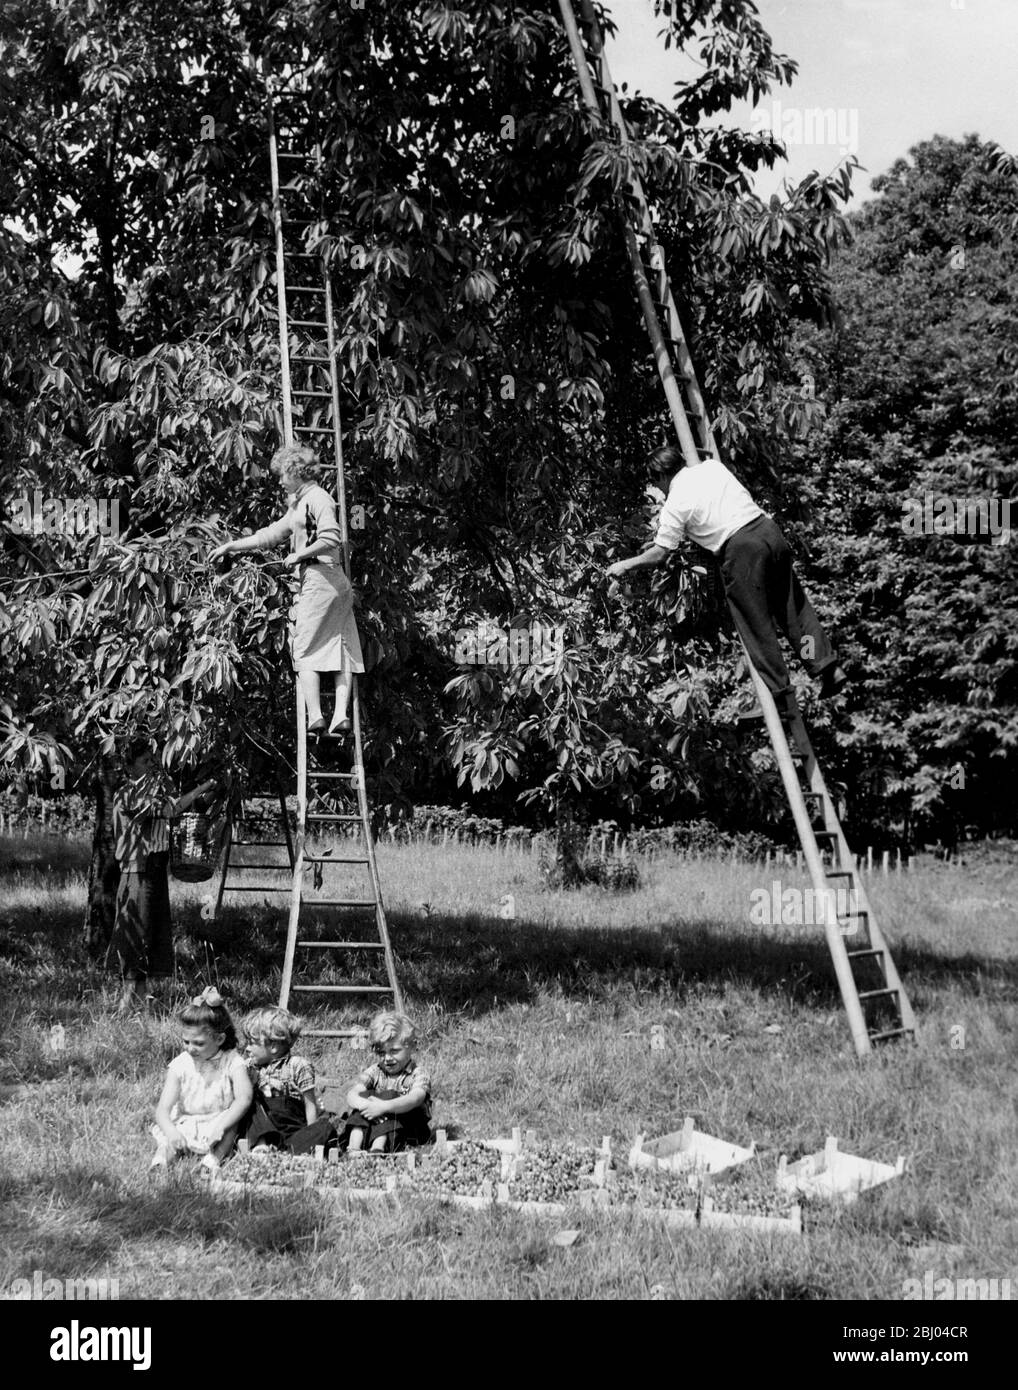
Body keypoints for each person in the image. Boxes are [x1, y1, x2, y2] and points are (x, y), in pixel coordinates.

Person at [606, 444, 847, 716]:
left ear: (660, 476)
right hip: (769, 533)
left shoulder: (674, 503)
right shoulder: (712, 468)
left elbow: (661, 553)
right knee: (794, 611)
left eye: (655, 483)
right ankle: (827, 667)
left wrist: (626, 565)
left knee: (755, 625)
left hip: (742, 550)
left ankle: (780, 698)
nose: (658, 490)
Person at [210, 443, 364, 736]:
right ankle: (339, 717)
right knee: (341, 646)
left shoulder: (319, 498)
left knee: (303, 648)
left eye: (283, 475)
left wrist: (300, 554)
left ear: (295, 472)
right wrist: (231, 546)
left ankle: (316, 715)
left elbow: (332, 536)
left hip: (320, 578)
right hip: (332, 580)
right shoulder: (300, 505)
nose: (280, 481)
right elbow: (270, 535)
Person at [110, 742, 217, 1014]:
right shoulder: (128, 795)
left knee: (153, 930)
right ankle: (128, 998)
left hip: (155, 869)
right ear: (130, 767)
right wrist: (198, 790)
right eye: (145, 761)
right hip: (137, 870)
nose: (151, 766)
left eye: (152, 760)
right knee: (134, 931)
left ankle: (143, 997)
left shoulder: (153, 793)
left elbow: (174, 806)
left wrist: (205, 788)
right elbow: (170, 810)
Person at [151, 988, 253, 1172]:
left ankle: (212, 1160)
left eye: (198, 1043)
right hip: (186, 1119)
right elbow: (162, 1110)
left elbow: (244, 1098)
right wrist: (171, 1131)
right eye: (186, 1042)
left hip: (218, 1119)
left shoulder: (232, 1061)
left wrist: (222, 1126)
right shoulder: (180, 1064)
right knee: (167, 1139)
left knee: (232, 1127)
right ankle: (161, 1161)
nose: (190, 1049)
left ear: (220, 1039)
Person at [241, 1006, 337, 1155]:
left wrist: (310, 1133)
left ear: (273, 1046)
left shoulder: (297, 1065)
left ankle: (289, 1151)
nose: (247, 1048)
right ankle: (262, 1146)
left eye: (252, 1043)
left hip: (293, 1128)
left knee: (324, 1127)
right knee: (250, 1102)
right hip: (264, 1129)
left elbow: (310, 1105)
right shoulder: (249, 1067)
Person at [341, 1011, 431, 1153]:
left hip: (409, 1126)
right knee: (364, 1096)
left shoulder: (417, 1073)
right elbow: (352, 1094)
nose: (387, 1058)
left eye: (394, 1051)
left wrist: (384, 1106)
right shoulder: (376, 1070)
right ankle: (353, 1147)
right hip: (379, 1122)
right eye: (382, 1053)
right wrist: (368, 1105)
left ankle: (378, 1149)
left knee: (389, 1095)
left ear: (412, 1047)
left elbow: (415, 1098)